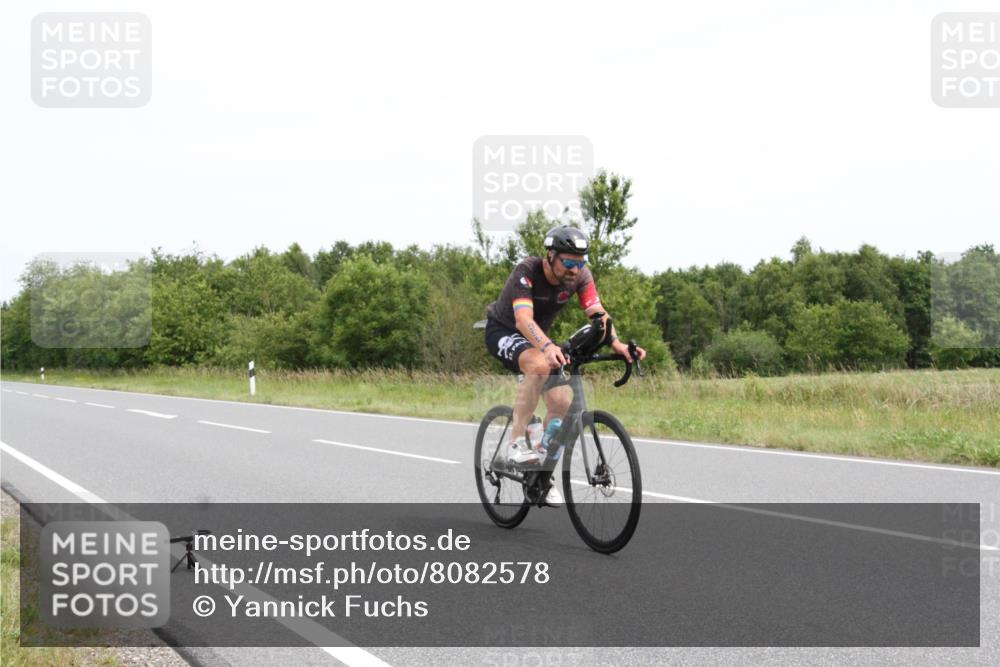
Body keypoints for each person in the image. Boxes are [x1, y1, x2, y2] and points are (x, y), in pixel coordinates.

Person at [484, 226, 646, 506]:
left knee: (561, 404)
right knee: (538, 364)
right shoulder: (527, 271)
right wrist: (547, 347)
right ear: (550, 255)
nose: (575, 269)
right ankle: (515, 443)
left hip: (538, 338)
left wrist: (617, 344)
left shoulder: (580, 276)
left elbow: (599, 314)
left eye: (581, 262)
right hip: (504, 331)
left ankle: (541, 475)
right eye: (569, 262)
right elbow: (523, 320)